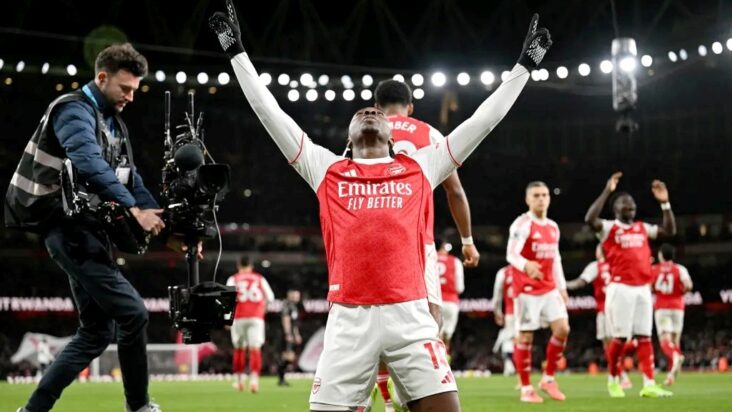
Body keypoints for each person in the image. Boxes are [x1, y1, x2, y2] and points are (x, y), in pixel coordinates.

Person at [209, 2, 551, 410]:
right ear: (348, 139)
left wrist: (524, 66)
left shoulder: (421, 167)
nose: (370, 112)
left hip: (411, 318)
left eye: (375, 112)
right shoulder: (326, 169)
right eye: (362, 112)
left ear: (392, 136)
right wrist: (236, 51)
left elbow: (483, 121)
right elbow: (268, 111)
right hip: (348, 323)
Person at [5, 43, 172, 412]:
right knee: (133, 313)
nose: (131, 97)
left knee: (97, 332)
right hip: (67, 231)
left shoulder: (112, 123)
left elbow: (130, 179)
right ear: (101, 77)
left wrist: (168, 226)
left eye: (135, 90)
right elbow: (88, 162)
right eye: (124, 88)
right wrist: (133, 210)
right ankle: (138, 406)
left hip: (85, 232)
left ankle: (32, 410)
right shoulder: (72, 110)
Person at [371, 78, 479, 412]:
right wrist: (467, 241)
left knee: (373, 320)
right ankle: (420, 392)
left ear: (376, 107)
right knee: (431, 320)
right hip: (415, 241)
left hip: (370, 242)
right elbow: (454, 191)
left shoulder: (364, 132)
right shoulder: (429, 134)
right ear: (410, 107)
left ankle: (382, 392)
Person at [585, 171, 676, 398]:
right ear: (616, 208)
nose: (630, 206)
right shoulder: (609, 228)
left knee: (645, 336)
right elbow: (590, 220)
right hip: (620, 288)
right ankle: (613, 380)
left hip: (643, 288)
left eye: (632, 204)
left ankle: (649, 384)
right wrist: (607, 191)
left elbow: (670, 231)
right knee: (620, 338)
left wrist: (665, 204)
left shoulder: (642, 228)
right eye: (625, 203)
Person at [506, 181, 570, 403]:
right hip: (526, 289)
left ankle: (548, 379)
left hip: (549, 287)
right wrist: (526, 265)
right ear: (528, 199)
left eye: (544, 195)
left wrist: (562, 287)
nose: (541, 199)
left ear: (549, 198)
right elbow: (511, 254)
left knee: (562, 329)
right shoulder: (522, 224)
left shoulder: (553, 226)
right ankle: (526, 389)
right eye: (536, 195)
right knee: (526, 336)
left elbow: (556, 258)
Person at [566, 245, 632, 389]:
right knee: (617, 343)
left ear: (600, 252)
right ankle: (619, 373)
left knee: (608, 346)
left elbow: (581, 282)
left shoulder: (596, 266)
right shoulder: (617, 264)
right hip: (619, 308)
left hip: (604, 310)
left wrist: (563, 285)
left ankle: (621, 376)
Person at [226, 256, 274, 393]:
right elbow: (270, 297)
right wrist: (263, 309)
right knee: (255, 349)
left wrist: (227, 319)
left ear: (238, 266)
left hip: (239, 317)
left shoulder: (233, 279)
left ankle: (239, 381)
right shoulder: (259, 278)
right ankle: (254, 380)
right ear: (251, 266)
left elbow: (227, 299)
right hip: (256, 317)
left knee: (239, 349)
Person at [651, 243, 692, 385]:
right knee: (675, 341)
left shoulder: (654, 269)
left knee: (665, 341)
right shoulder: (680, 269)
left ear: (661, 255)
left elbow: (649, 286)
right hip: (678, 307)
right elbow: (688, 285)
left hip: (662, 307)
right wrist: (680, 292)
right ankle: (672, 375)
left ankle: (676, 358)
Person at [436, 240, 465, 355]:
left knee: (435, 334)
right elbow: (460, 288)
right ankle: (444, 357)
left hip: (434, 301)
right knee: (447, 335)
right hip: (451, 302)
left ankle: (436, 358)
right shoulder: (455, 261)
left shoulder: (430, 258)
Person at [491, 265, 516, 376]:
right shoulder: (527, 269)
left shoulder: (503, 272)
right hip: (525, 312)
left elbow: (497, 294)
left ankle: (509, 364)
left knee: (508, 339)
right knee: (523, 339)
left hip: (510, 313)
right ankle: (519, 366)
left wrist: (497, 311)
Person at [277, 288, 302, 387]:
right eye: (296, 295)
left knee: (290, 357)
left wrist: (296, 334)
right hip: (285, 334)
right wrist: (288, 334)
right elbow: (286, 319)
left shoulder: (294, 306)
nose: (298, 297)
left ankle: (281, 379)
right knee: (288, 356)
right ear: (290, 295)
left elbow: (294, 323)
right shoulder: (287, 305)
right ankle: (281, 379)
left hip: (290, 334)